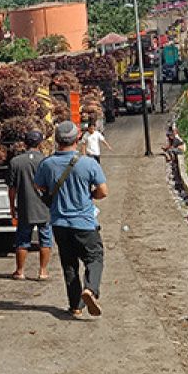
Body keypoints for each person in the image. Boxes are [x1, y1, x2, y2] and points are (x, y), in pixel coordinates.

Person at [35, 120, 108, 318]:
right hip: (84, 222)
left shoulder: (47, 164)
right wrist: (89, 195)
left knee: (69, 264)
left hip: (59, 224)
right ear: (77, 139)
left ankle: (75, 306)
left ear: (57, 141)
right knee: (94, 257)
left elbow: (39, 187)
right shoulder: (88, 163)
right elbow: (103, 191)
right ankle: (90, 289)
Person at [7, 130, 51, 281]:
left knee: (22, 240)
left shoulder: (16, 162)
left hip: (25, 207)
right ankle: (43, 271)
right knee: (45, 239)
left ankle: (20, 271)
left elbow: (12, 188)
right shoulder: (46, 161)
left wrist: (12, 207)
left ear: (25, 143)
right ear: (40, 143)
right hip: (44, 207)